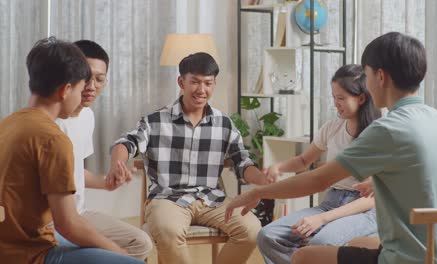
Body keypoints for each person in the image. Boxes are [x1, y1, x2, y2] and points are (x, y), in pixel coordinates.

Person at [225, 32, 437, 264]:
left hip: (406, 258)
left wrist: (258, 192)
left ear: (380, 77)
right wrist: (376, 183)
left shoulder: (388, 129)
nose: (367, 84)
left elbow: (317, 180)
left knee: (304, 257)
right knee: (347, 243)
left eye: (368, 75)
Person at [109, 52, 273, 264]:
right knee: (168, 229)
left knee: (251, 230)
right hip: (168, 199)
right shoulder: (156, 120)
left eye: (208, 83)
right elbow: (126, 143)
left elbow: (242, 161)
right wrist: (117, 163)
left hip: (211, 200)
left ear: (214, 84)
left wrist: (263, 182)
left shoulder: (223, 123)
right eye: (194, 82)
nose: (201, 90)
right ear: (181, 82)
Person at [0, 37, 143, 264]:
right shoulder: (53, 138)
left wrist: (105, 182)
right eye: (80, 86)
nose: (87, 92)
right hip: (33, 251)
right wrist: (118, 252)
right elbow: (68, 224)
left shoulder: (8, 124)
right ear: (66, 90)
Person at [257, 64, 381, 264]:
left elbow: (370, 199)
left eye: (341, 98)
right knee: (268, 236)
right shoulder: (332, 127)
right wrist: (278, 167)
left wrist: (322, 219)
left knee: (320, 242)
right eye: (333, 97)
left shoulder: (377, 134)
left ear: (361, 98)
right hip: (331, 202)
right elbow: (304, 160)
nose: (335, 103)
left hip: (364, 210)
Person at [54, 40, 153, 260]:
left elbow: (75, 171)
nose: (92, 85)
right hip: (55, 221)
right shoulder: (51, 124)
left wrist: (107, 183)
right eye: (86, 77)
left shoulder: (87, 116)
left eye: (99, 79)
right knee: (117, 252)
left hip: (80, 213)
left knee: (140, 242)